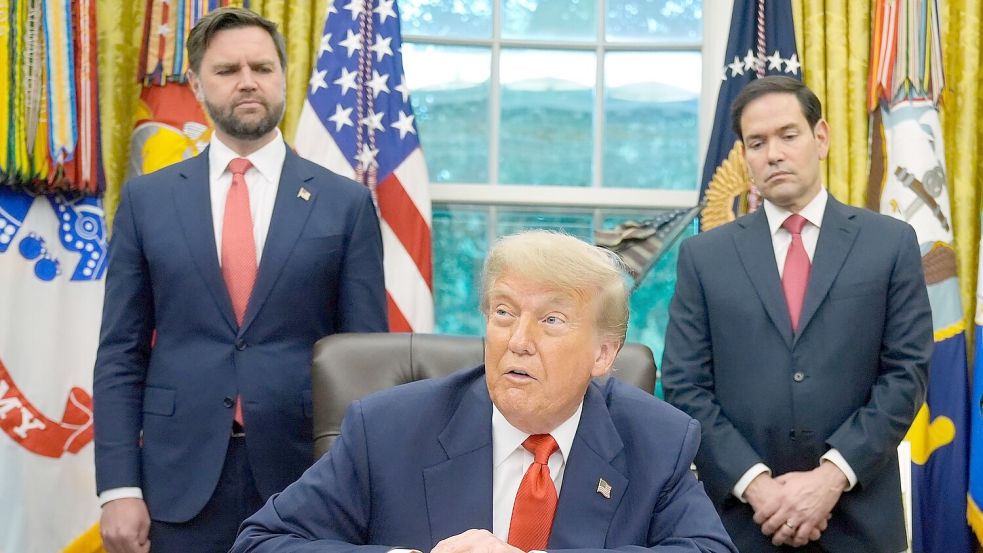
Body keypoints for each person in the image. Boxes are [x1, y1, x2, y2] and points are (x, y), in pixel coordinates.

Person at [230, 230, 737, 553]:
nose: (518, 340)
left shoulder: (657, 439)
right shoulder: (388, 430)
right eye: (504, 312)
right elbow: (261, 542)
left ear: (603, 355)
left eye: (552, 320)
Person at [93, 7, 388, 553]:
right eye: (228, 70)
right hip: (175, 483)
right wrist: (118, 488)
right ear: (196, 83)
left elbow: (366, 358)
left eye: (262, 67)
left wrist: (364, 482)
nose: (248, 81)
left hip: (306, 481)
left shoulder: (345, 204)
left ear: (283, 76)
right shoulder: (146, 200)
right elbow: (120, 354)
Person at [661, 75, 932, 553]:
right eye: (757, 142)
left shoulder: (889, 244)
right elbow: (685, 385)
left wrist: (831, 478)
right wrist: (756, 486)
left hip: (859, 518)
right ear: (744, 156)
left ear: (820, 137)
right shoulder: (704, 256)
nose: (774, 154)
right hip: (741, 521)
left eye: (788, 135)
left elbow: (906, 373)